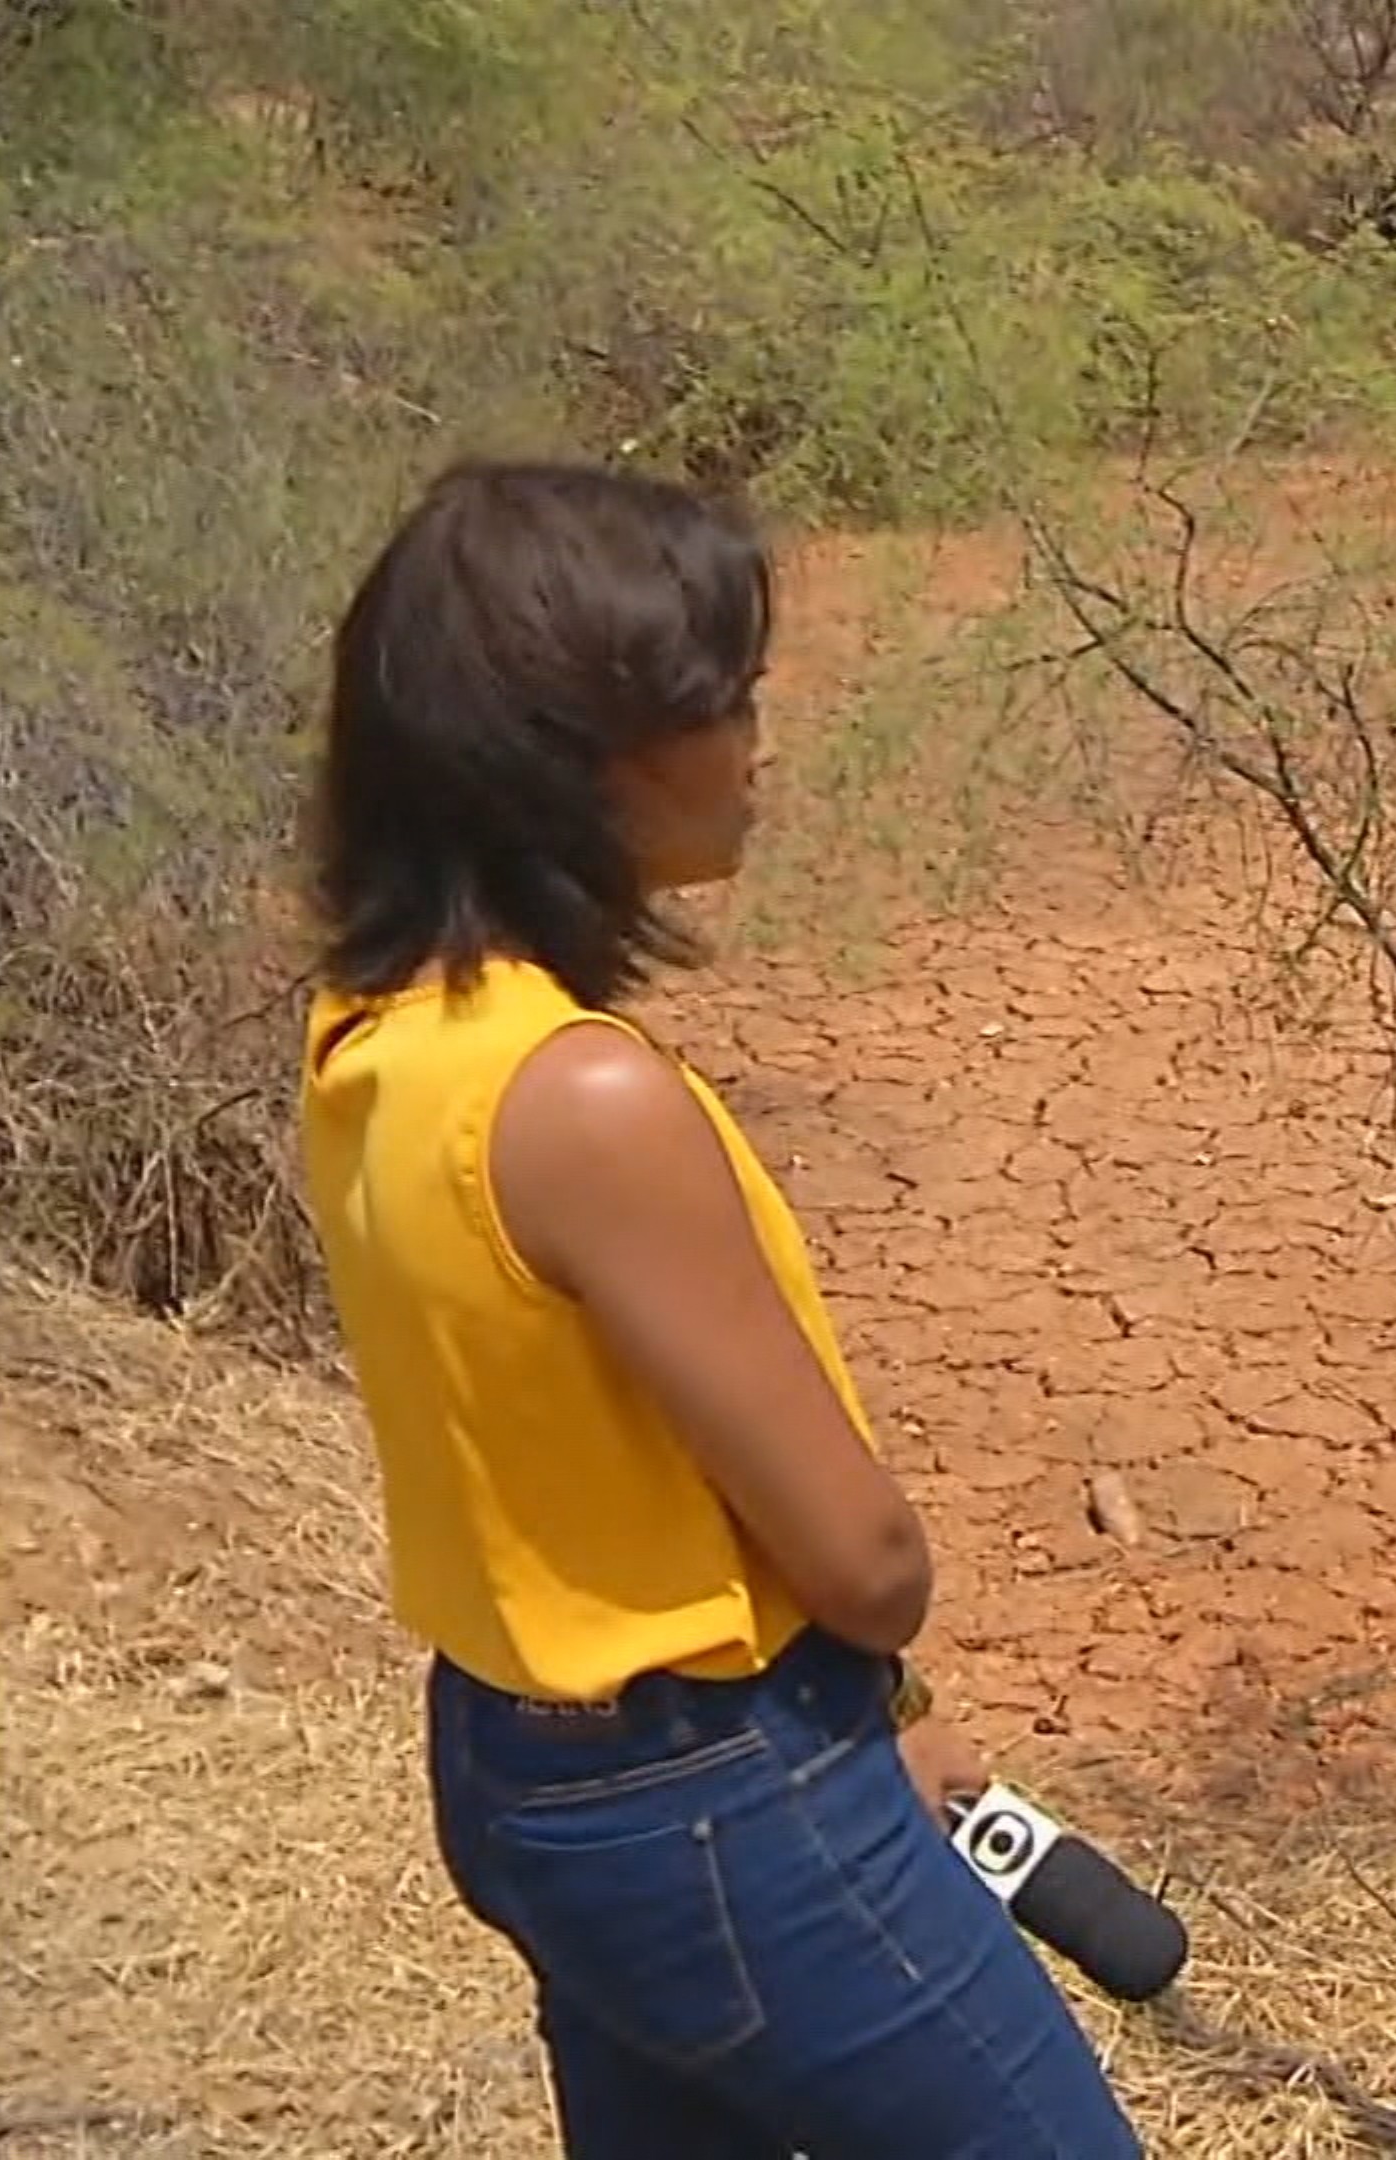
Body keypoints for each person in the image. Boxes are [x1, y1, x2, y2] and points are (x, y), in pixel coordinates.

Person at [298, 461, 1142, 2158]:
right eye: (723, 702)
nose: (760, 740)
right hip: (718, 1797)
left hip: (528, 1769)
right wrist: (867, 1685)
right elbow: (864, 1562)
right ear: (571, 756)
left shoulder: (380, 1035)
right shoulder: (584, 1097)